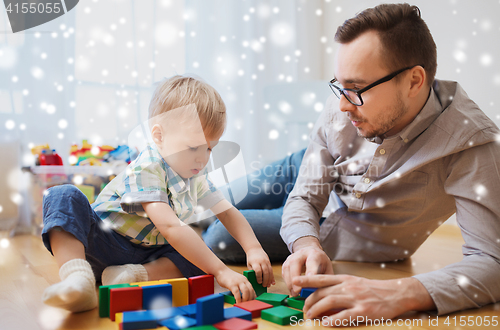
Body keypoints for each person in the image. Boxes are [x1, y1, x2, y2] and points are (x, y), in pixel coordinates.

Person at [204, 3, 500, 322]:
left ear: (414, 81)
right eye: (340, 86)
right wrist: (305, 245)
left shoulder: (473, 144)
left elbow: (491, 261)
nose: (342, 105)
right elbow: (305, 196)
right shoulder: (345, 106)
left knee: (219, 236)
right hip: (309, 167)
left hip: (346, 228)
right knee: (210, 200)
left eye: (357, 89)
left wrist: (402, 292)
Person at [41, 75, 274, 313]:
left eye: (209, 149)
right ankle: (78, 279)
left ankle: (129, 277)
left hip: (146, 253)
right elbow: (171, 227)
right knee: (62, 195)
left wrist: (253, 247)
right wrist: (221, 271)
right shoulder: (148, 166)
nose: (202, 159)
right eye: (194, 147)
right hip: (102, 241)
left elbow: (227, 211)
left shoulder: (195, 176)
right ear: (159, 136)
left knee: (199, 257)